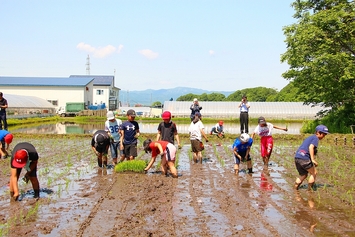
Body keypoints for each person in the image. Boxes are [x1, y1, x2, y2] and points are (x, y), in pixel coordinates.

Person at [294, 125, 329, 191]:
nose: (324, 137)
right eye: (324, 135)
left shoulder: (309, 137)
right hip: (304, 158)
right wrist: (312, 159)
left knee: (303, 175)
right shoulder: (315, 138)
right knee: (314, 173)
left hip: (297, 157)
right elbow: (311, 147)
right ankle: (309, 189)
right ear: (318, 132)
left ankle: (295, 188)